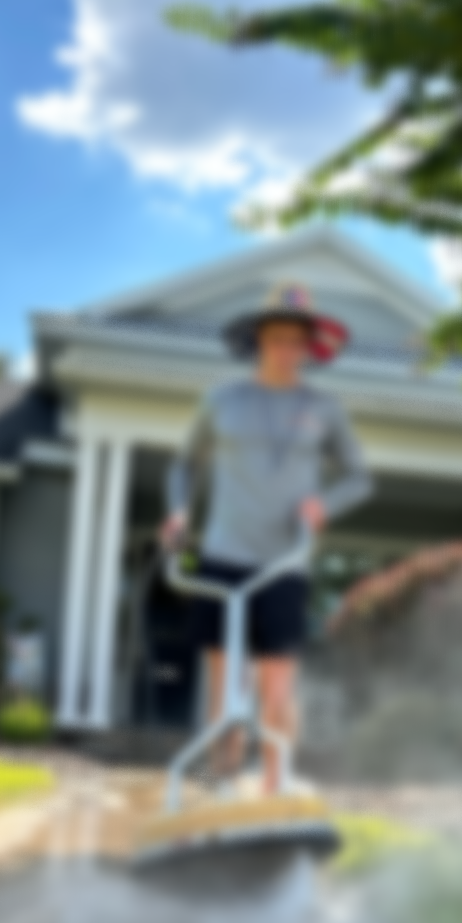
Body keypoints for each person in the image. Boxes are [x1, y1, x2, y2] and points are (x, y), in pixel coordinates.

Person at [162, 284, 373, 792]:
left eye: (297, 340)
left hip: (285, 564)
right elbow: (184, 467)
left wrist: (325, 504)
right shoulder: (220, 399)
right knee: (226, 691)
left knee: (276, 692)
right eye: (277, 337)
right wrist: (178, 511)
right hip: (222, 554)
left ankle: (275, 788)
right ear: (258, 338)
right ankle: (222, 786)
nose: (287, 350)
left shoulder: (325, 407)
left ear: (310, 346)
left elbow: (360, 477)